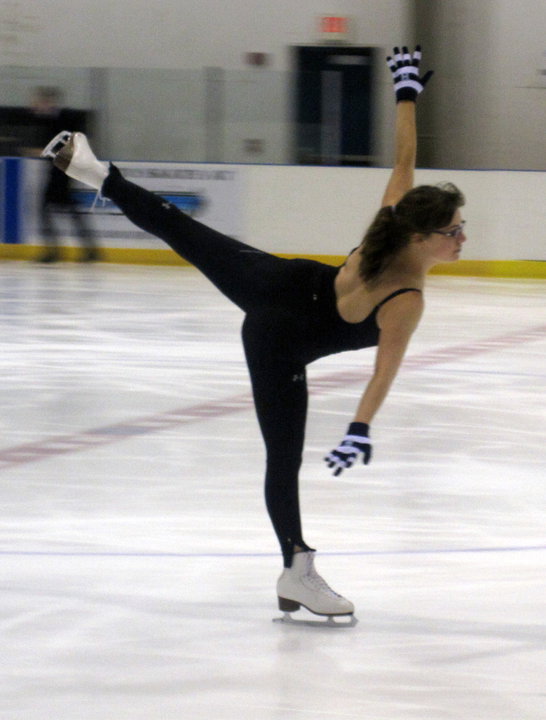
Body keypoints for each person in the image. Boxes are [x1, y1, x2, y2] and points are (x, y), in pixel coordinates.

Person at [41, 47, 466, 623]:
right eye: (452, 230)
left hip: (282, 278)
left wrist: (406, 93)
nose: (461, 237)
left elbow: (403, 164)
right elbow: (384, 366)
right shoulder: (406, 297)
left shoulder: (391, 225)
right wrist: (359, 427)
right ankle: (297, 568)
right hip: (278, 335)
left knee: (181, 228)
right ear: (422, 239)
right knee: (283, 459)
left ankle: (98, 173)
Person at [28, 86, 101, 263]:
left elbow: (77, 144)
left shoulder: (68, 118)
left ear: (48, 101)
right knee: (66, 210)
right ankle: (87, 250)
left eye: (40, 101)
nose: (37, 105)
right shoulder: (46, 121)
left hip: (64, 172)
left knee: (50, 209)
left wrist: (42, 152)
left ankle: (56, 252)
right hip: (55, 172)